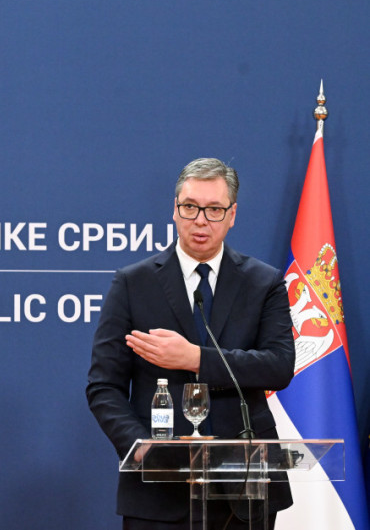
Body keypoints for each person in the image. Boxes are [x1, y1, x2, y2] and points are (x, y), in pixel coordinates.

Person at [86, 158, 295, 529]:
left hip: (245, 487)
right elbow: (104, 386)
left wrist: (196, 358)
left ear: (232, 215)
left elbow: (278, 366)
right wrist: (142, 447)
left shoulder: (263, 282)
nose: (201, 220)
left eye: (214, 210)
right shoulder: (133, 283)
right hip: (159, 490)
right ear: (175, 209)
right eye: (190, 207)